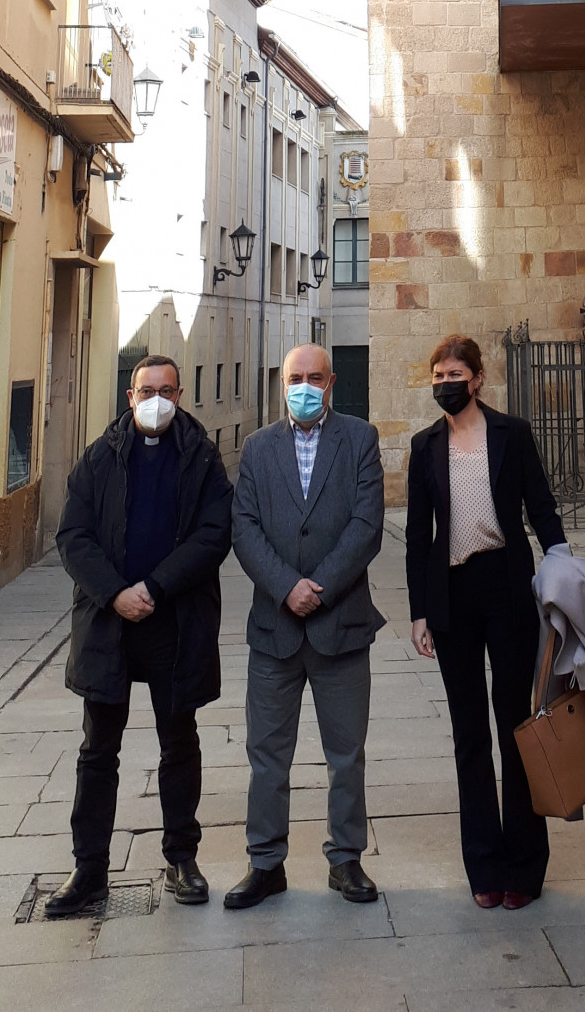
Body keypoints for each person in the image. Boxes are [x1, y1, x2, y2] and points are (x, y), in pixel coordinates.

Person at [47, 354, 233, 917]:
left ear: (180, 397)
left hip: (173, 620)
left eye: (167, 390)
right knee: (98, 750)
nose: (156, 399)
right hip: (109, 624)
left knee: (180, 741)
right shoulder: (99, 456)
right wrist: (115, 593)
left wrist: (153, 587)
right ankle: (89, 870)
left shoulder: (201, 457)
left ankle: (182, 859)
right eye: (146, 389)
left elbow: (213, 535)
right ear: (130, 396)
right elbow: (73, 535)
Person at [407, 334, 566, 911]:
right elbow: (417, 538)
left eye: (454, 374)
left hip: (507, 587)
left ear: (476, 378)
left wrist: (563, 565)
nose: (445, 383)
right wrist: (420, 611)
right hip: (451, 595)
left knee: (516, 724)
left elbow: (541, 505)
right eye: (437, 375)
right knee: (468, 732)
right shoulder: (425, 447)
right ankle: (484, 864)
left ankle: (524, 865)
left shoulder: (512, 434)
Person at [227, 344, 385, 910]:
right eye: (295, 377)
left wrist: (317, 587)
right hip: (274, 630)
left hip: (340, 624)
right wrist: (284, 587)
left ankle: (346, 860)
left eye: (315, 377)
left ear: (331, 382)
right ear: (282, 382)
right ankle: (265, 862)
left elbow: (367, 525)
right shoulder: (257, 448)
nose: (304, 386)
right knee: (267, 754)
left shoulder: (360, 440)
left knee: (347, 753)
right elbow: (243, 528)